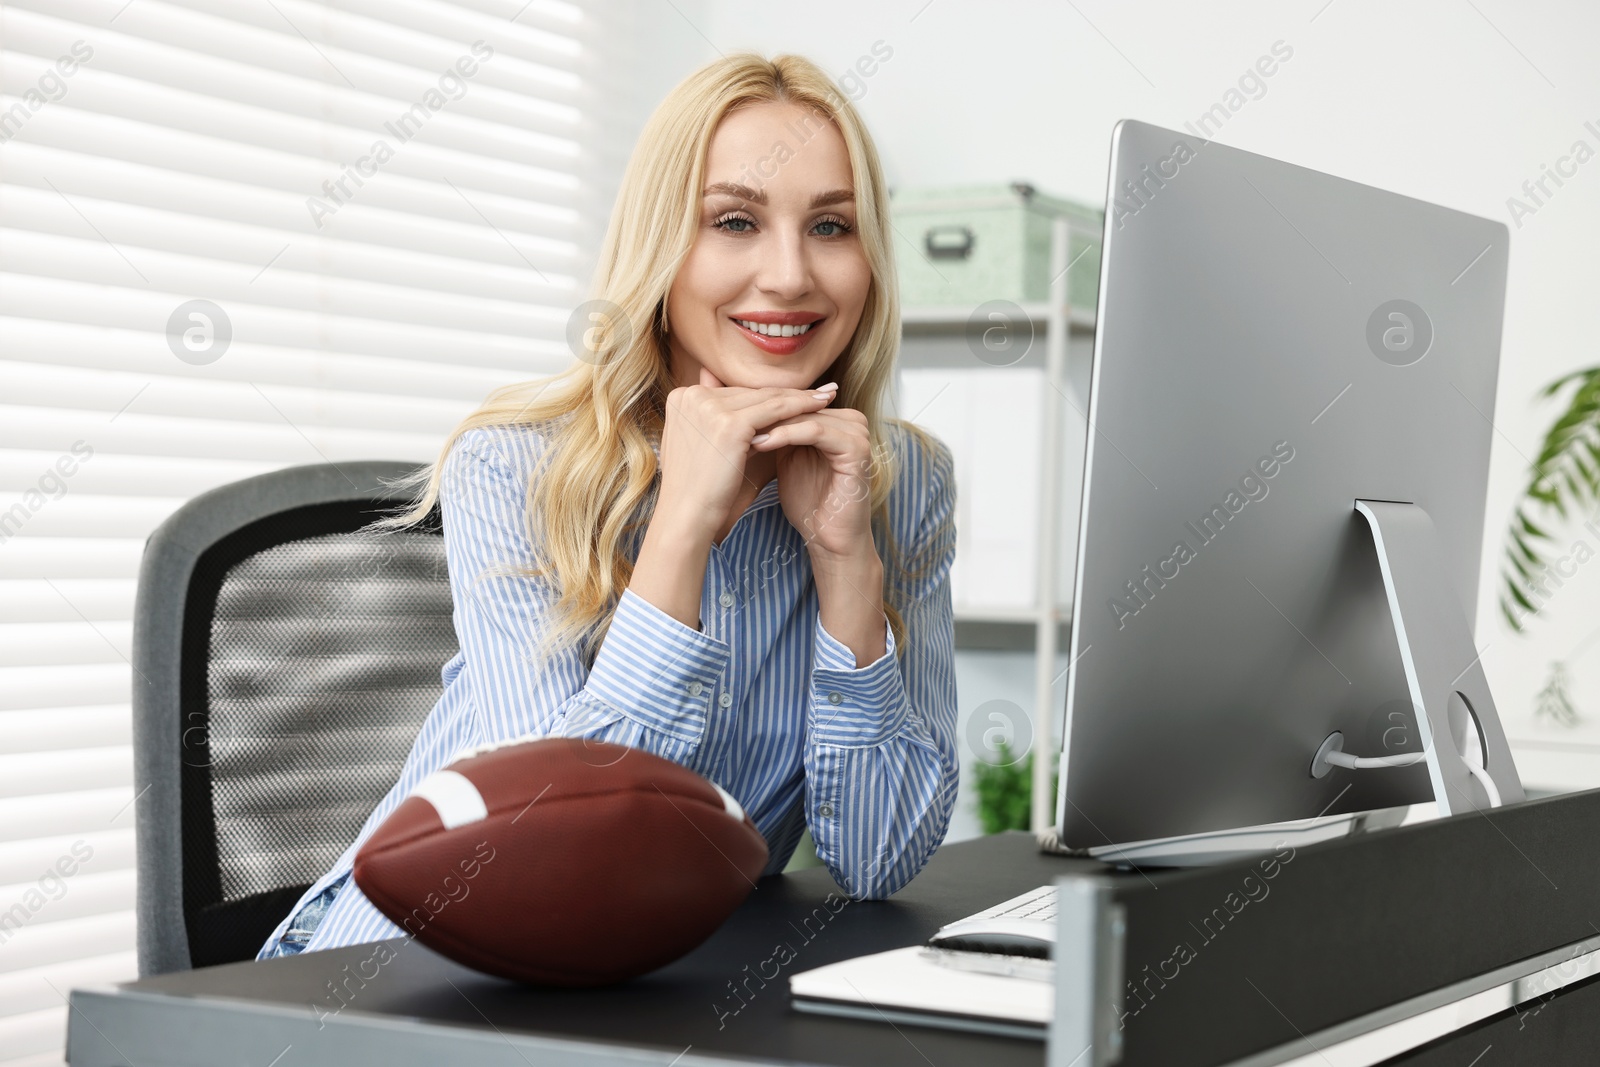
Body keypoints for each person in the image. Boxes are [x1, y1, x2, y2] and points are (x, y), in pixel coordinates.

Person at [257, 50, 959, 960]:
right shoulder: (514, 465)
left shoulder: (901, 485)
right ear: (662, 244)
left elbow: (878, 856)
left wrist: (845, 560)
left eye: (832, 226)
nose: (790, 275)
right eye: (735, 221)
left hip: (658, 986)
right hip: (408, 969)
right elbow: (547, 844)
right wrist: (682, 529)